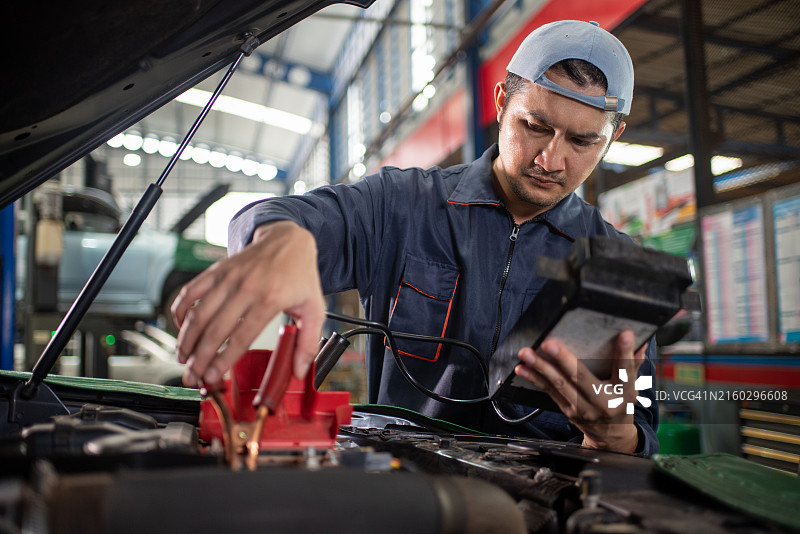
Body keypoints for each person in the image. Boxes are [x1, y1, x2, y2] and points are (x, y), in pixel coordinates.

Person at [172, 20, 658, 455]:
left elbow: (639, 432)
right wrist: (280, 238)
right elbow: (268, 215)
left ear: (612, 137)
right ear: (502, 102)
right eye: (535, 126)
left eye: (582, 142)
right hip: (406, 483)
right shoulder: (400, 206)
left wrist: (614, 436)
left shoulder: (619, 266)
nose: (551, 160)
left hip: (547, 496)